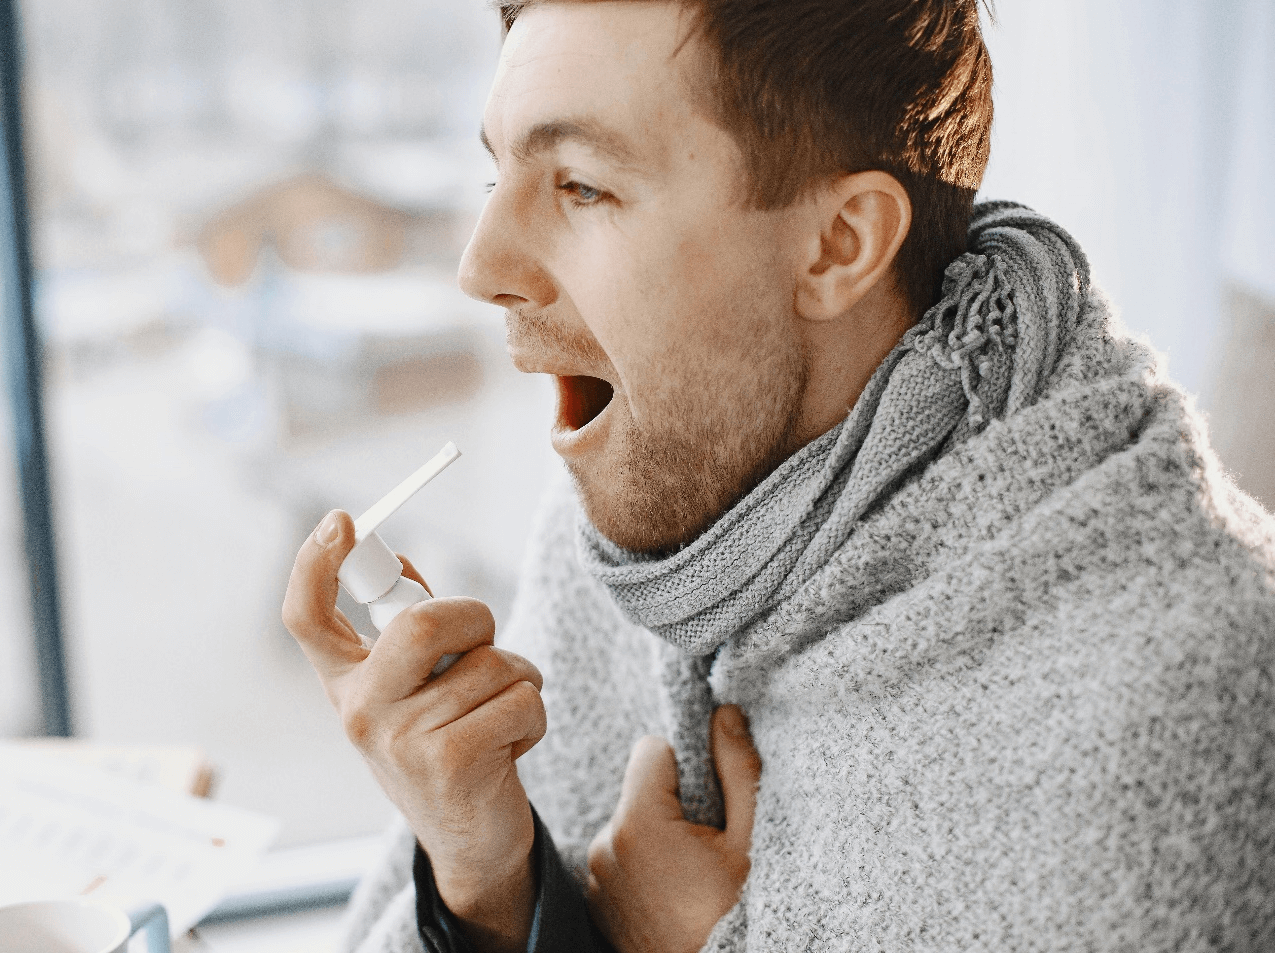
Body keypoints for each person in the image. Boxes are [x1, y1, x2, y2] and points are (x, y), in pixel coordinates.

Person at [282, 1, 1275, 951]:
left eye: (580, 185)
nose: (479, 263)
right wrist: (486, 880)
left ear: (838, 245)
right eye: (496, 174)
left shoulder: (1164, 705)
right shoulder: (636, 500)